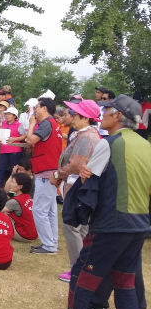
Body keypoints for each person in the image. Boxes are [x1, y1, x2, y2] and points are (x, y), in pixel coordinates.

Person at [43, 94, 151, 309]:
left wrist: (82, 175)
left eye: (107, 110)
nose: (102, 115)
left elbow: (90, 181)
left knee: (81, 277)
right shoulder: (146, 146)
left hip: (110, 223)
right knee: (125, 282)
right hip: (138, 224)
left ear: (118, 116)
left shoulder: (109, 144)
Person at [52, 98, 102, 282]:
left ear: (85, 117)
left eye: (74, 113)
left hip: (78, 185)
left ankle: (78, 270)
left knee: (72, 225)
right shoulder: (83, 134)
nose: (71, 116)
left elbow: (76, 164)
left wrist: (58, 175)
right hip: (77, 184)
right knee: (80, 228)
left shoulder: (87, 137)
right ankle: (80, 268)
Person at [25, 97, 63, 254]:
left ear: (45, 108)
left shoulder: (46, 123)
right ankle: (52, 242)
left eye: (37, 107)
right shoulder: (53, 124)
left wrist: (32, 124)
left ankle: (49, 245)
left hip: (46, 172)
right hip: (51, 170)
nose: (35, 111)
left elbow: (30, 140)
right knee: (50, 210)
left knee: (40, 210)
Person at [2, 172, 38, 242]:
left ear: (20, 186)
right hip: (34, 234)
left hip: (24, 235)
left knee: (1, 214)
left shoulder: (15, 202)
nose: (10, 184)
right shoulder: (28, 197)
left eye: (13, 182)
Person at [0, 106, 23, 187]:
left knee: (14, 170)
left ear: (14, 116)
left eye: (9, 114)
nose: (7, 115)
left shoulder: (19, 124)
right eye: (6, 114)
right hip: (3, 149)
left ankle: (13, 187)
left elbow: (24, 136)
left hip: (15, 150)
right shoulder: (3, 123)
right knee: (1, 169)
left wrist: (14, 139)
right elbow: (0, 134)